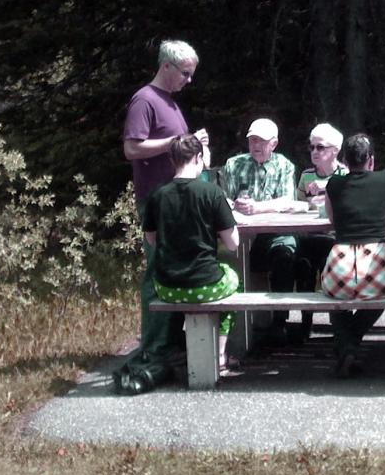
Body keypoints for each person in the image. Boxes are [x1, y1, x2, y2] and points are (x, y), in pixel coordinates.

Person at [114, 135, 240, 394]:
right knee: (233, 281)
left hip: (167, 285)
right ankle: (219, 355)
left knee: (192, 288)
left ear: (172, 160)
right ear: (198, 158)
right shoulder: (212, 193)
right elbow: (233, 244)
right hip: (203, 283)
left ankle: (178, 348)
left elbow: (151, 239)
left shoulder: (158, 195)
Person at [120, 39, 208, 390]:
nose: (189, 80)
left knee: (175, 270)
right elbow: (131, 148)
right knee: (157, 268)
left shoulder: (170, 101)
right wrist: (175, 143)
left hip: (178, 198)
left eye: (191, 74)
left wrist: (191, 142)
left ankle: (170, 344)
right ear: (167, 67)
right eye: (185, 73)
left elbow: (177, 143)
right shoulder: (145, 100)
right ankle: (153, 346)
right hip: (157, 201)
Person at [321, 133, 385, 376]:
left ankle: (347, 345)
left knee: (336, 300)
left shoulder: (334, 184)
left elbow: (333, 220)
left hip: (341, 265)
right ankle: (351, 343)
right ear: (371, 160)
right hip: (376, 263)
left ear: (344, 161)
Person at [223, 118, 299, 342]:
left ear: (273, 144)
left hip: (276, 232)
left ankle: (279, 321)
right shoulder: (233, 164)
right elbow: (223, 198)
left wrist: (258, 208)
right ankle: (239, 328)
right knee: (231, 258)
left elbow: (287, 201)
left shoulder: (285, 165)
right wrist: (235, 204)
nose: (255, 145)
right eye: (252, 140)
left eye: (261, 141)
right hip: (241, 233)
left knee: (286, 252)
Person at [293, 123, 348, 341]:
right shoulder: (306, 175)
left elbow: (347, 204)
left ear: (335, 150)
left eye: (320, 147)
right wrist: (307, 202)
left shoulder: (345, 173)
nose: (315, 152)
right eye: (312, 147)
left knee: (332, 268)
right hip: (309, 235)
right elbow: (297, 206)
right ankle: (305, 324)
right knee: (303, 266)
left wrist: (324, 195)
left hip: (335, 238)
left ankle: (339, 327)